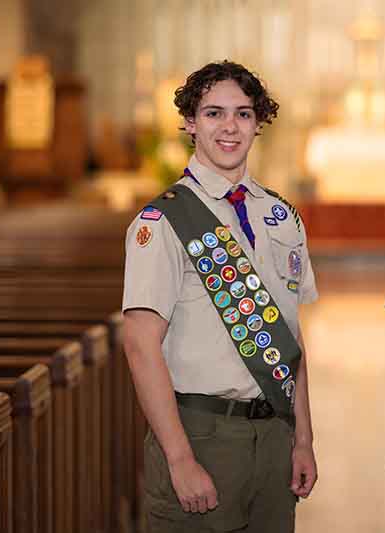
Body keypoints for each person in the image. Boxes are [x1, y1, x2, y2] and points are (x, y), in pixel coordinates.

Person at [122, 60, 317, 533]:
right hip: (202, 433)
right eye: (213, 113)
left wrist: (303, 440)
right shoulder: (163, 221)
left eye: (243, 114)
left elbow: (289, 337)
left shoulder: (281, 215)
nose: (230, 127)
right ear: (190, 122)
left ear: (258, 123)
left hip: (274, 436)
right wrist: (180, 457)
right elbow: (139, 343)